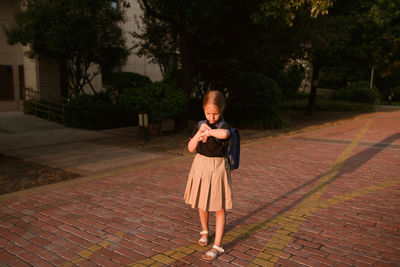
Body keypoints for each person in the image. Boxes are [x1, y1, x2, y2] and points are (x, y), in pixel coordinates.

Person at [184, 90, 233, 261]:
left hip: (218, 167)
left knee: (219, 207)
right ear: (203, 110)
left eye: (215, 113)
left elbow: (225, 135)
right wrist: (199, 133)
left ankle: (217, 245)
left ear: (222, 109)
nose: (211, 117)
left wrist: (210, 132)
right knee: (201, 202)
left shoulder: (222, 126)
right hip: (200, 165)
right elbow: (190, 148)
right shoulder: (200, 125)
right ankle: (205, 231)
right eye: (208, 113)